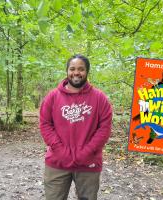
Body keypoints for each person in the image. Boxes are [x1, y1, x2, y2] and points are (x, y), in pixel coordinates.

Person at [39, 54, 113, 200]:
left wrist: (86, 152)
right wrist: (61, 151)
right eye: (72, 68)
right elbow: (45, 124)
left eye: (81, 69)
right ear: (67, 71)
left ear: (87, 72)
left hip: (88, 162)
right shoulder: (52, 97)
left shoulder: (99, 98)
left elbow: (104, 128)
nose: (76, 72)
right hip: (57, 161)